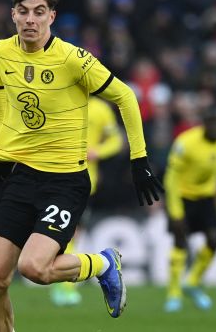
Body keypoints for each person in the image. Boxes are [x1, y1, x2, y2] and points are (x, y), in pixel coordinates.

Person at [0, 0, 163, 331]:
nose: (30, 19)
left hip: (65, 181)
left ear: (52, 17)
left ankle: (103, 264)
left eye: (39, 11)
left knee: (34, 268)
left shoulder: (72, 59)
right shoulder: (0, 53)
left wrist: (139, 159)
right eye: (23, 11)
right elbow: (0, 97)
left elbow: (125, 95)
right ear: (13, 15)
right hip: (22, 176)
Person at [163, 106, 216, 312]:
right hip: (182, 195)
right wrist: (175, 211)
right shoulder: (186, 142)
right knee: (180, 240)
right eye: (210, 122)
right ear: (203, 124)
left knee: (214, 240)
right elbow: (171, 177)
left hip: (206, 197)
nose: (214, 127)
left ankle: (192, 281)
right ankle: (173, 292)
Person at [49, 96, 124, 306]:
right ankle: (62, 283)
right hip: (53, 175)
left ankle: (64, 286)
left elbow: (116, 141)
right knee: (59, 232)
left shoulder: (101, 109)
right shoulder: (58, 99)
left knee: (73, 232)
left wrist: (98, 152)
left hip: (84, 181)